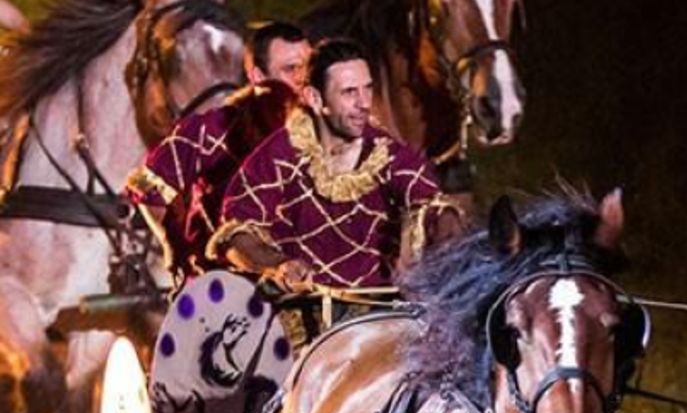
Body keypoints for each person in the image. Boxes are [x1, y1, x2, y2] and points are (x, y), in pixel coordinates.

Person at [208, 37, 450, 294]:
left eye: (368, 89)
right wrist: (279, 265)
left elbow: (434, 207)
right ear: (314, 98)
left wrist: (441, 228)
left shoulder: (388, 155)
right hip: (299, 309)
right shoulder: (278, 155)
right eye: (349, 92)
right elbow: (236, 235)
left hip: (380, 310)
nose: (364, 103)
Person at [126, 22, 311, 280]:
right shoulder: (212, 129)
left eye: (309, 68)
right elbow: (148, 187)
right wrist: (175, 247)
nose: (303, 79)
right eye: (291, 69)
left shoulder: (328, 129)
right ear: (258, 77)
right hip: (224, 285)